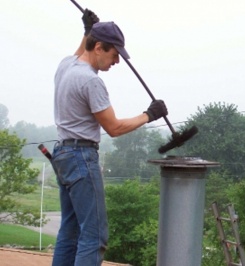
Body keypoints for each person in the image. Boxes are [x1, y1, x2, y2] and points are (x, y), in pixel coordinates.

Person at [51, 9, 168, 266]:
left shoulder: (66, 67)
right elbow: (114, 128)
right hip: (81, 158)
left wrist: (86, 32)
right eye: (115, 55)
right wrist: (149, 115)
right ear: (100, 47)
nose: (116, 62)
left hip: (62, 155)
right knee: (95, 236)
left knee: (70, 232)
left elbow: (79, 52)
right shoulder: (91, 82)